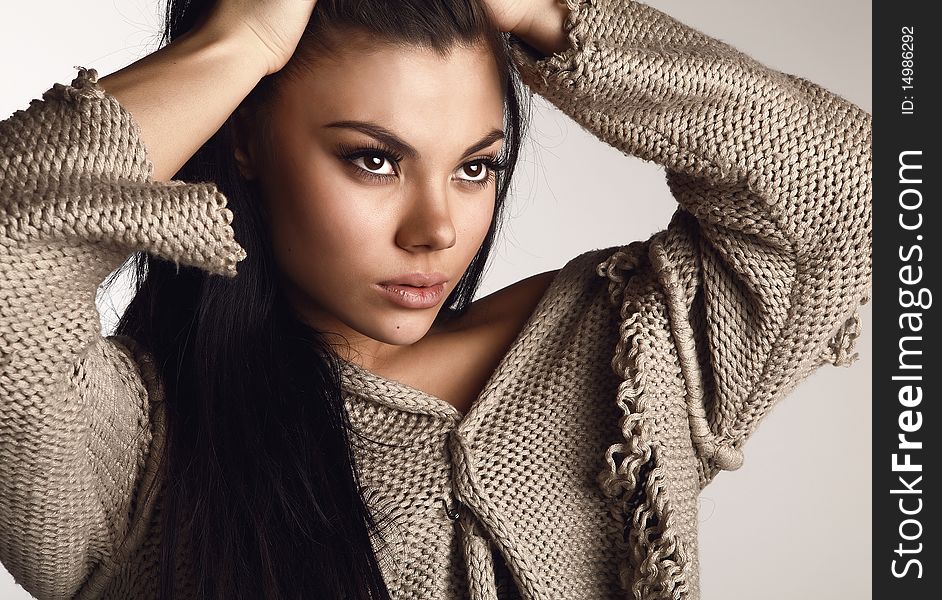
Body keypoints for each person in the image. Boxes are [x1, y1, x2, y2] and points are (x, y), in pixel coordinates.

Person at [0, 0, 872, 599]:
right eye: (373, 159)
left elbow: (857, 194)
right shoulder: (129, 456)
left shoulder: (628, 355)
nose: (438, 229)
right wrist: (235, 49)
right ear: (246, 140)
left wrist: (550, 16)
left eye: (475, 166)